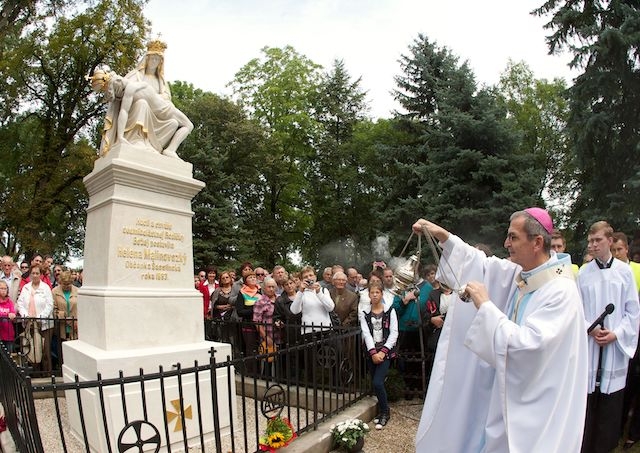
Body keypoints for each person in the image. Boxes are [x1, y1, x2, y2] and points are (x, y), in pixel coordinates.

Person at [414, 208, 588, 453]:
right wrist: (444, 237)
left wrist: (485, 306)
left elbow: (528, 347)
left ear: (537, 242)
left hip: (535, 409)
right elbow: (482, 266)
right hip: (508, 398)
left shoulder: (560, 291)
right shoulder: (525, 274)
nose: (506, 243)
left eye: (513, 237)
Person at [578, 221, 639, 453]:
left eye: (598, 240)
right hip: (591, 345)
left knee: (609, 408)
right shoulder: (583, 273)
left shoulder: (624, 272)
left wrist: (616, 334)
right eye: (590, 241)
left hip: (613, 348)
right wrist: (589, 328)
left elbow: (633, 311)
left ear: (610, 241)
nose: (592, 245)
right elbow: (577, 310)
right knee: (588, 406)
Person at [90, 41, 193, 158]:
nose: (154, 62)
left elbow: (165, 97)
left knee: (177, 124)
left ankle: (167, 149)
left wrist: (120, 138)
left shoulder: (153, 82)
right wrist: (120, 138)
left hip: (164, 110)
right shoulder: (132, 84)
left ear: (161, 62)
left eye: (157, 59)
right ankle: (148, 143)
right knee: (142, 104)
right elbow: (123, 111)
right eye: (152, 58)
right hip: (161, 110)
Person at [360, 280, 398, 430]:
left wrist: (383, 352)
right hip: (372, 352)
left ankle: (385, 412)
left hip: (385, 353)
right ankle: (381, 410)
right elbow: (366, 334)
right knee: (376, 383)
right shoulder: (365, 313)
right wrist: (374, 353)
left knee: (377, 382)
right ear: (368, 295)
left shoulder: (390, 311)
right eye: (372, 292)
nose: (374, 295)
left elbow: (394, 332)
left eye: (377, 292)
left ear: (382, 294)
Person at [17, 264, 54, 372]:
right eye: (33, 273)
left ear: (41, 275)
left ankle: (47, 374)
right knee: (32, 349)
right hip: (29, 324)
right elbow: (20, 303)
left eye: (37, 273)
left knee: (45, 351)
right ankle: (35, 374)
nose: (35, 275)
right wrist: (26, 315)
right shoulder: (26, 287)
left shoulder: (45, 288)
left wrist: (39, 317)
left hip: (44, 325)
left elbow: (49, 305)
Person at [52, 269, 78, 363]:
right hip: (62, 327)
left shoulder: (78, 291)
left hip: (75, 328)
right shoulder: (54, 292)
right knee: (63, 354)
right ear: (60, 282)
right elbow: (53, 310)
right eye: (64, 284)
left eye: (69, 284)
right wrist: (63, 316)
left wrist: (77, 321)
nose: (66, 286)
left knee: (75, 353)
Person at [0, 281, 16, 352]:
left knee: (9, 358)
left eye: (5, 288)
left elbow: (13, 313)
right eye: (1, 288)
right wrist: (6, 315)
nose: (3, 290)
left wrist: (12, 314)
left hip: (9, 334)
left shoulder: (10, 302)